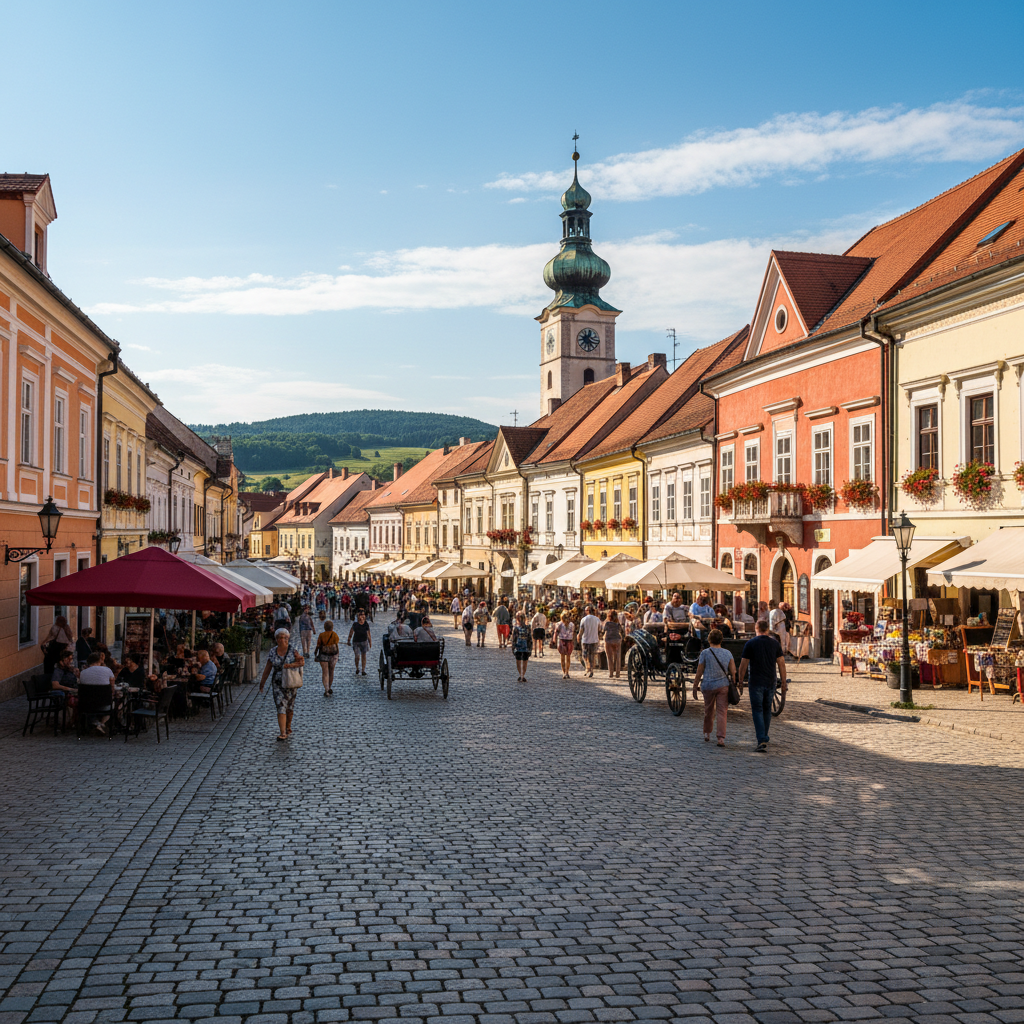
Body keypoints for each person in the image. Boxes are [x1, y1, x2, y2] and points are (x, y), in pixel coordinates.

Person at [738, 619, 788, 752]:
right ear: (767, 629)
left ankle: (761, 739)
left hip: (756, 681)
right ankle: (764, 736)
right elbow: (781, 664)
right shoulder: (775, 644)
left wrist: (740, 681)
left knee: (757, 710)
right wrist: (783, 682)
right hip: (770, 681)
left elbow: (743, 665)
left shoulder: (751, 643)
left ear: (756, 628)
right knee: (767, 710)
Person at [259, 628, 304, 741]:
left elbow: (301, 662)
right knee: (280, 706)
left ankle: (288, 726)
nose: (280, 640)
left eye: (282, 638)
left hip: (290, 682)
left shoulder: (293, 650)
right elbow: (268, 667)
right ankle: (282, 732)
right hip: (277, 683)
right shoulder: (273, 651)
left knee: (289, 707)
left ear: (287, 638)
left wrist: (290, 665)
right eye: (278, 638)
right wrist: (262, 682)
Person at [692, 628, 736, 747]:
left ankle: (707, 733)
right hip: (723, 685)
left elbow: (699, 671)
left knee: (708, 710)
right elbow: (733, 671)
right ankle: (721, 738)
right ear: (721, 640)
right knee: (722, 711)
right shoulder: (727, 653)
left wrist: (695, 686)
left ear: (709, 639)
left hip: (708, 685)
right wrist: (736, 683)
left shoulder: (705, 653)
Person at [79, 651, 116, 734]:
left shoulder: (82, 673)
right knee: (115, 704)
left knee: (91, 705)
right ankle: (101, 724)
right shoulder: (107, 670)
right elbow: (112, 688)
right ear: (100, 660)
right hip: (105, 704)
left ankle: (96, 723)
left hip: (87, 705)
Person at [315, 619, 341, 693]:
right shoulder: (334, 634)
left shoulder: (321, 635)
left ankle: (326, 689)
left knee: (325, 672)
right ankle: (329, 687)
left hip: (323, 654)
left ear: (324, 627)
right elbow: (336, 644)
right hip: (333, 654)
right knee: (331, 671)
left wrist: (315, 652)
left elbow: (318, 645)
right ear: (332, 627)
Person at [577, 605, 601, 678]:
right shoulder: (597, 619)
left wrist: (579, 636)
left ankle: (588, 668)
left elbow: (581, 630)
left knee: (585, 655)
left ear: (587, 611)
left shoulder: (584, 619)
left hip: (585, 640)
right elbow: (599, 629)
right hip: (594, 639)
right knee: (592, 655)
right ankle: (590, 669)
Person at [601, 609, 623, 678]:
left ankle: (611, 673)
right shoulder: (617, 624)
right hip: (617, 639)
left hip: (608, 640)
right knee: (617, 657)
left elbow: (603, 630)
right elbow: (621, 630)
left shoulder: (607, 623)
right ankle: (617, 673)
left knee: (609, 657)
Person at [511, 611, 531, 681]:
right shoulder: (528, 627)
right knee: (525, 661)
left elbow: (513, 639)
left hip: (518, 646)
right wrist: (530, 647)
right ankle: (522, 675)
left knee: (518, 661)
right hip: (525, 646)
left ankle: (521, 675)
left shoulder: (516, 628)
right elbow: (529, 638)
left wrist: (512, 647)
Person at [556, 611, 575, 679]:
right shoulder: (571, 624)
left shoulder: (559, 624)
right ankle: (566, 672)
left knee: (563, 658)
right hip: (567, 641)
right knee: (567, 658)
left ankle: (565, 672)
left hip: (563, 641)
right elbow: (573, 633)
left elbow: (556, 632)